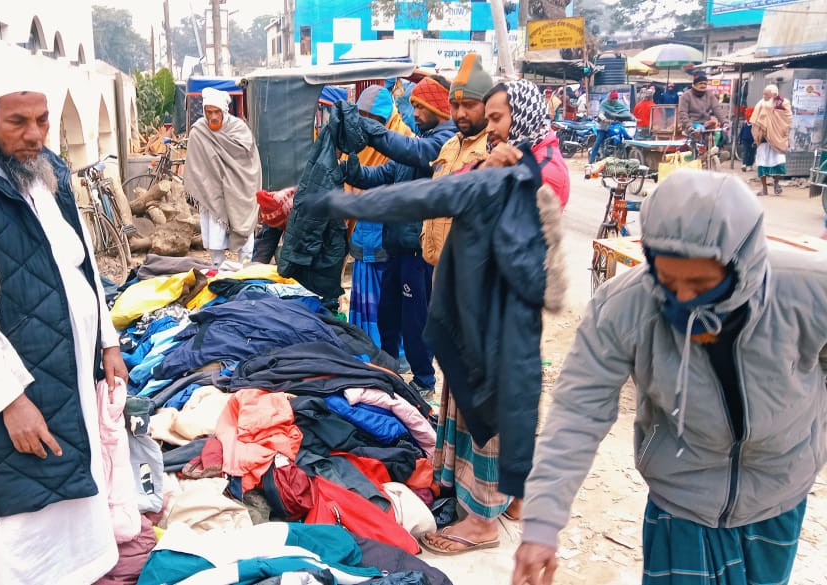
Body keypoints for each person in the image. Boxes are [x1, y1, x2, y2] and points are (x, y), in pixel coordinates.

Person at [512, 169, 827, 585]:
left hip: (777, 495)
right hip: (681, 500)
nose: (682, 296)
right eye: (669, 278)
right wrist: (541, 525)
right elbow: (577, 413)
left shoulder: (808, 289)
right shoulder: (625, 307)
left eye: (700, 281)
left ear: (742, 264)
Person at [314, 74, 569, 558]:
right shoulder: (492, 154)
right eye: (487, 117)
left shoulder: (543, 170)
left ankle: (482, 519)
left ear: (524, 116)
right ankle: (509, 500)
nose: (489, 127)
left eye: (497, 117)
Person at [0, 87, 129, 583]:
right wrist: (11, 401)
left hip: (73, 374)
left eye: (41, 120)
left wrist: (108, 341)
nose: (34, 135)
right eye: (18, 122)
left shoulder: (48, 173)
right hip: (21, 387)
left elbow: (83, 267)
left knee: (81, 500)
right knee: (30, 518)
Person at [339, 75, 459, 396]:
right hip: (396, 248)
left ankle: (424, 381)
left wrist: (371, 131)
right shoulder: (415, 146)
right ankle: (388, 369)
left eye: (421, 107)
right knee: (387, 315)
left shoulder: (442, 141)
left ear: (437, 107)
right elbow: (376, 175)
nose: (415, 112)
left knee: (415, 321)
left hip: (418, 252)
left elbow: (416, 153)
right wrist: (348, 165)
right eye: (414, 106)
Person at [344, 85, 415, 348]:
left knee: (390, 298)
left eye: (370, 118)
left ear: (384, 117)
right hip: (364, 232)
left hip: (390, 234)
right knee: (364, 291)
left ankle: (390, 351)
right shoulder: (356, 141)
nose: (365, 123)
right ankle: (366, 345)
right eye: (360, 116)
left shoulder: (404, 140)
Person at [184, 87, 262, 267]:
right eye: (208, 112)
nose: (212, 116)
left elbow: (249, 164)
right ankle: (217, 270)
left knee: (245, 232)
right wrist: (210, 185)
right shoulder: (199, 132)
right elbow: (196, 168)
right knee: (215, 236)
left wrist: (233, 182)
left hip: (239, 191)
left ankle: (246, 271)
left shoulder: (239, 129)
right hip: (212, 193)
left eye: (216, 112)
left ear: (224, 111)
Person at [750, 84, 793, 196]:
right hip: (763, 139)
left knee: (777, 162)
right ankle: (764, 188)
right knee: (761, 163)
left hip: (777, 138)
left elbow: (787, 118)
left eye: (766, 94)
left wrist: (774, 119)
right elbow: (755, 119)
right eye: (763, 94)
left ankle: (776, 183)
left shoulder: (783, 103)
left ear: (774, 94)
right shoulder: (760, 104)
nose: (764, 96)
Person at [589, 91, 636, 164]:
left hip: (613, 125)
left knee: (625, 134)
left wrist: (629, 118)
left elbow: (623, 111)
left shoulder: (618, 104)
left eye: (616, 98)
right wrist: (605, 119)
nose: (615, 100)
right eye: (613, 98)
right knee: (598, 142)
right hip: (602, 127)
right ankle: (591, 161)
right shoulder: (604, 104)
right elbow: (600, 113)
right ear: (610, 98)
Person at [738, 106, 756, 172]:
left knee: (752, 153)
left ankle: (749, 165)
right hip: (745, 140)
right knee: (745, 152)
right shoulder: (745, 124)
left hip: (752, 141)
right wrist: (740, 140)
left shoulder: (755, 124)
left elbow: (756, 133)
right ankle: (744, 164)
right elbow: (742, 132)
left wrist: (756, 140)